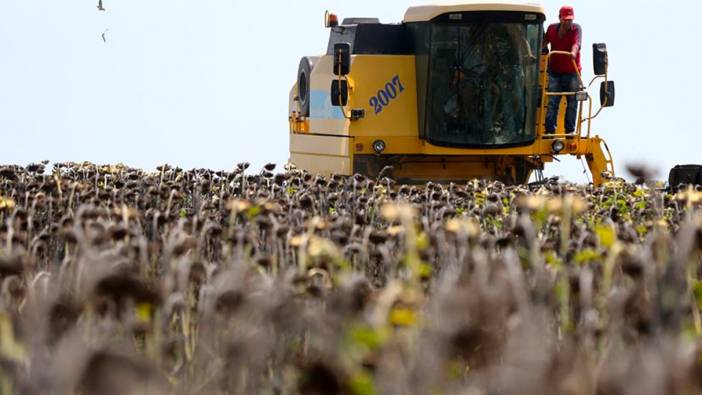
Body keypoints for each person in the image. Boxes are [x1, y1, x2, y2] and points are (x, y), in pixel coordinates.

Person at [543, 6, 582, 134]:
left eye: (570, 20)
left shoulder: (576, 29)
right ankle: (550, 131)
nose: (567, 22)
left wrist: (573, 53)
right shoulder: (551, 29)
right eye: (565, 19)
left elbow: (577, 44)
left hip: (572, 73)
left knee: (572, 101)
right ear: (559, 18)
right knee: (553, 101)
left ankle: (569, 131)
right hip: (555, 72)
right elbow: (544, 42)